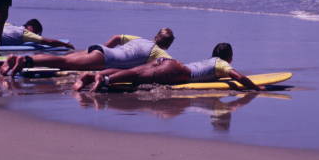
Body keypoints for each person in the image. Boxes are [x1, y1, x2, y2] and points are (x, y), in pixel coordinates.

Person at [72, 42, 264, 92]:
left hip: (169, 65)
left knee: (133, 72)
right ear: (228, 56)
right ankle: (103, 80)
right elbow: (238, 77)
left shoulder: (210, 61)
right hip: (177, 72)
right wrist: (256, 87)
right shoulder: (221, 64)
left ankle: (95, 76)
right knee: (136, 77)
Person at [0, 28, 175, 77]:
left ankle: (21, 60)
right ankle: (23, 61)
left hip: (99, 49)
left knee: (61, 59)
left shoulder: (140, 39)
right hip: (104, 58)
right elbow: (171, 65)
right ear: (167, 45)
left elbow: (116, 37)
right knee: (63, 64)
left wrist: (104, 49)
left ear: (155, 36)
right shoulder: (159, 52)